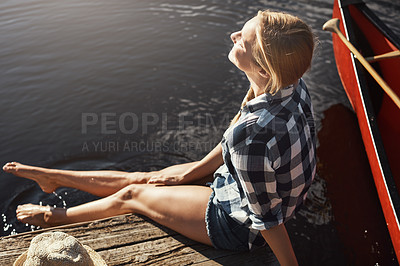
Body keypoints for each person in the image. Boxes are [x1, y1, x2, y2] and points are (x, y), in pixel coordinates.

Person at [3, 10, 316, 266]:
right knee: (148, 178)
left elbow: (267, 220)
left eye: (243, 43)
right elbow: (236, 139)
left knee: (133, 195)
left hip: (239, 227)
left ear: (263, 69)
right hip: (242, 184)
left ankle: (53, 216)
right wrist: (189, 173)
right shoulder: (291, 84)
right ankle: (55, 179)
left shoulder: (251, 139)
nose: (234, 36)